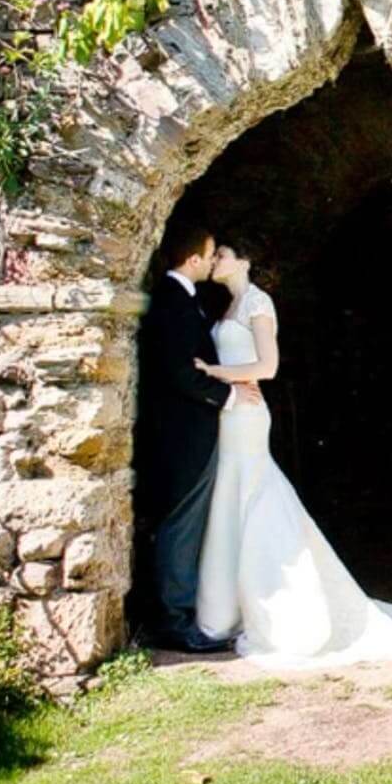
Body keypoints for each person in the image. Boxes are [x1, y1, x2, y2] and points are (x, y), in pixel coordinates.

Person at [191, 239, 392, 666]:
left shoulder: (257, 304)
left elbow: (268, 367)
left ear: (243, 260)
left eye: (222, 254)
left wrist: (216, 373)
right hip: (229, 415)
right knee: (230, 498)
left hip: (246, 416)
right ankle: (229, 610)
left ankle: (279, 610)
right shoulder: (228, 305)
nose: (216, 261)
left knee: (253, 495)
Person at [131, 223, 251, 653]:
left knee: (186, 523)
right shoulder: (172, 301)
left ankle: (179, 611)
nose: (215, 258)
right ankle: (173, 620)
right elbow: (181, 372)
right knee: (181, 524)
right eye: (211, 251)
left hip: (189, 433)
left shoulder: (183, 299)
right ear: (194, 259)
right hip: (182, 436)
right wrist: (228, 395)